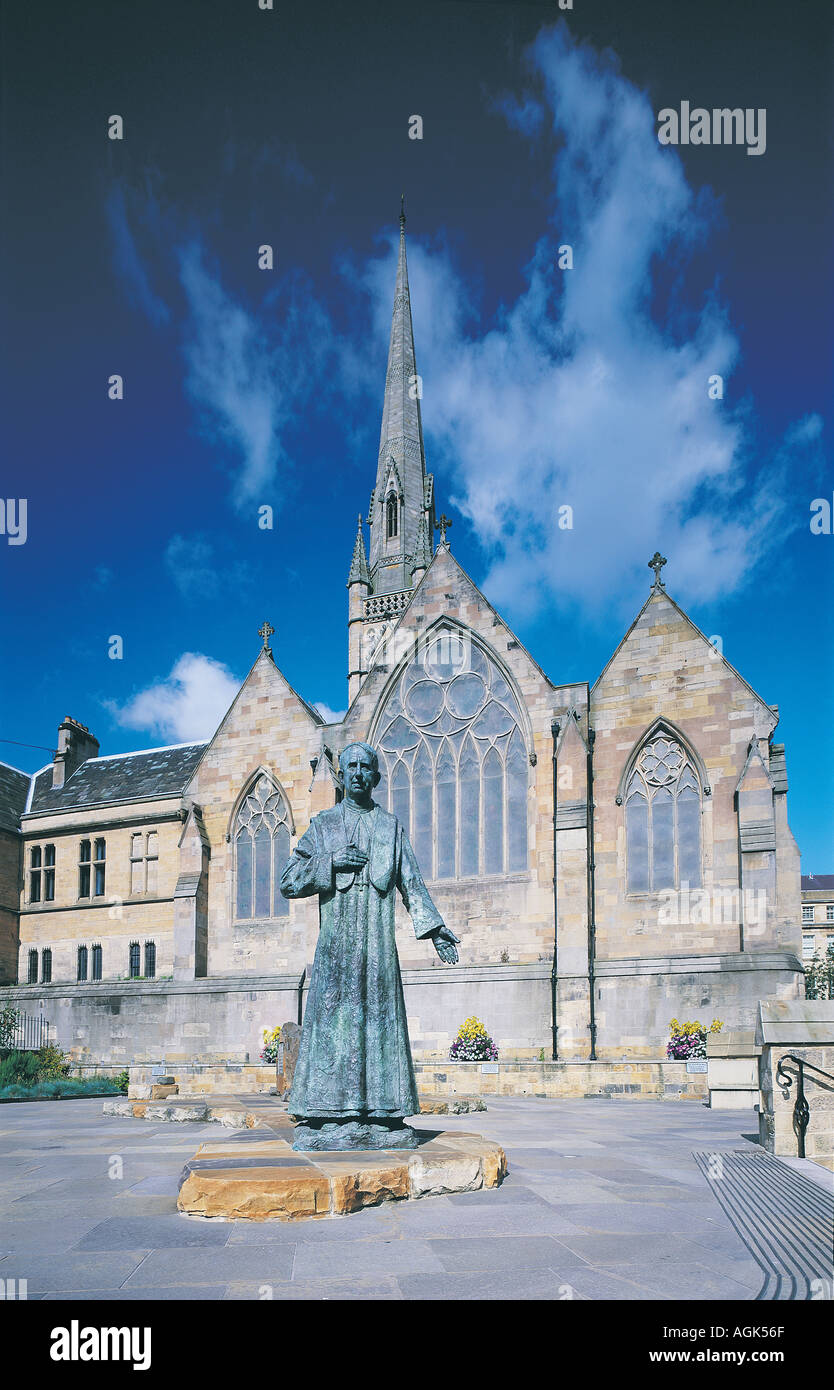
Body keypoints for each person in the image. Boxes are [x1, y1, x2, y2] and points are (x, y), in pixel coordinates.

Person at [280, 740, 459, 1149]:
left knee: (379, 1026)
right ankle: (325, 1117)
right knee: (333, 1027)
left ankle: (383, 1117)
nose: (358, 773)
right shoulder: (324, 826)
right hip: (337, 950)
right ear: (341, 776)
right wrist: (330, 862)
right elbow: (288, 880)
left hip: (378, 948)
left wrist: (435, 929)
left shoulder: (390, 827)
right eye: (351, 767)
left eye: (366, 767)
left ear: (376, 778)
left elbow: (411, 882)